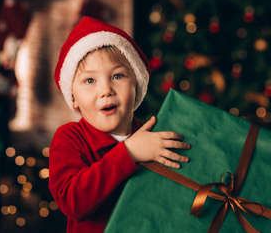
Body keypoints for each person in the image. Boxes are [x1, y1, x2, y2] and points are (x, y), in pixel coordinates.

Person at [49, 16, 190, 233]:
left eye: (117, 76)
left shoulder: (153, 137)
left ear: (137, 86)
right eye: (90, 81)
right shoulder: (70, 138)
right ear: (73, 97)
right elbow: (72, 201)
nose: (106, 90)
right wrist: (129, 153)